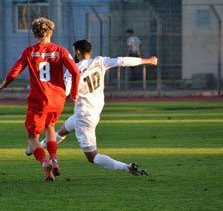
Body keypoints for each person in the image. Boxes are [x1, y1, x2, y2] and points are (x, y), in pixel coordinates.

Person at [27, 39, 157, 176]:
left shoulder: (73, 70)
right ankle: (34, 148)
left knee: (92, 157)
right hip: (92, 113)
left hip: (84, 118)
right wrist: (147, 61)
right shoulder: (100, 61)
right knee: (63, 130)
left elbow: (64, 94)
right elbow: (122, 60)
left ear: (77, 52)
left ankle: (127, 167)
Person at [0, 18, 80, 181]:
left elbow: (15, 71)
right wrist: (74, 94)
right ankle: (54, 160)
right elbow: (75, 72)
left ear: (34, 33)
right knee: (50, 127)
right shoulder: (61, 50)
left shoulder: (30, 51)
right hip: (57, 99)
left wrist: (3, 85)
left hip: (39, 100)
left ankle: (44, 162)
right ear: (51, 32)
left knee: (31, 137)